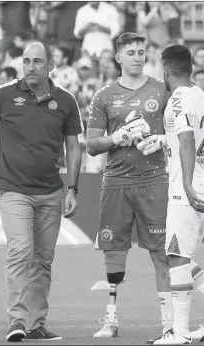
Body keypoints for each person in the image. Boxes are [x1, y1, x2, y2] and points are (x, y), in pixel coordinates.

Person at [0, 41, 83, 342]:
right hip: (13, 188)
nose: (31, 66)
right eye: (26, 61)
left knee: (43, 260)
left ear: (50, 66)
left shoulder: (66, 101)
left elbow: (73, 146)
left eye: (37, 61)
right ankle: (16, 321)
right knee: (21, 250)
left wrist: (72, 186)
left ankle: (36, 324)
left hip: (50, 191)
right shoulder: (3, 94)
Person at [86, 32, 171, 338]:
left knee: (161, 253)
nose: (137, 57)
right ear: (118, 57)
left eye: (141, 52)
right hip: (116, 182)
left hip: (154, 180)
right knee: (113, 251)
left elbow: (181, 134)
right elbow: (92, 145)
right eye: (131, 53)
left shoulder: (162, 90)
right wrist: (118, 137)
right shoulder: (104, 95)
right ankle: (110, 320)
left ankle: (169, 324)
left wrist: (162, 139)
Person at [150, 44, 204, 345]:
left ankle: (179, 332)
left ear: (165, 68)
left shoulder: (176, 98)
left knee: (175, 257)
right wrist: (163, 140)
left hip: (187, 190)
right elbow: (190, 136)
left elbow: (187, 139)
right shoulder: (201, 96)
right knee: (182, 256)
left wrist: (185, 184)